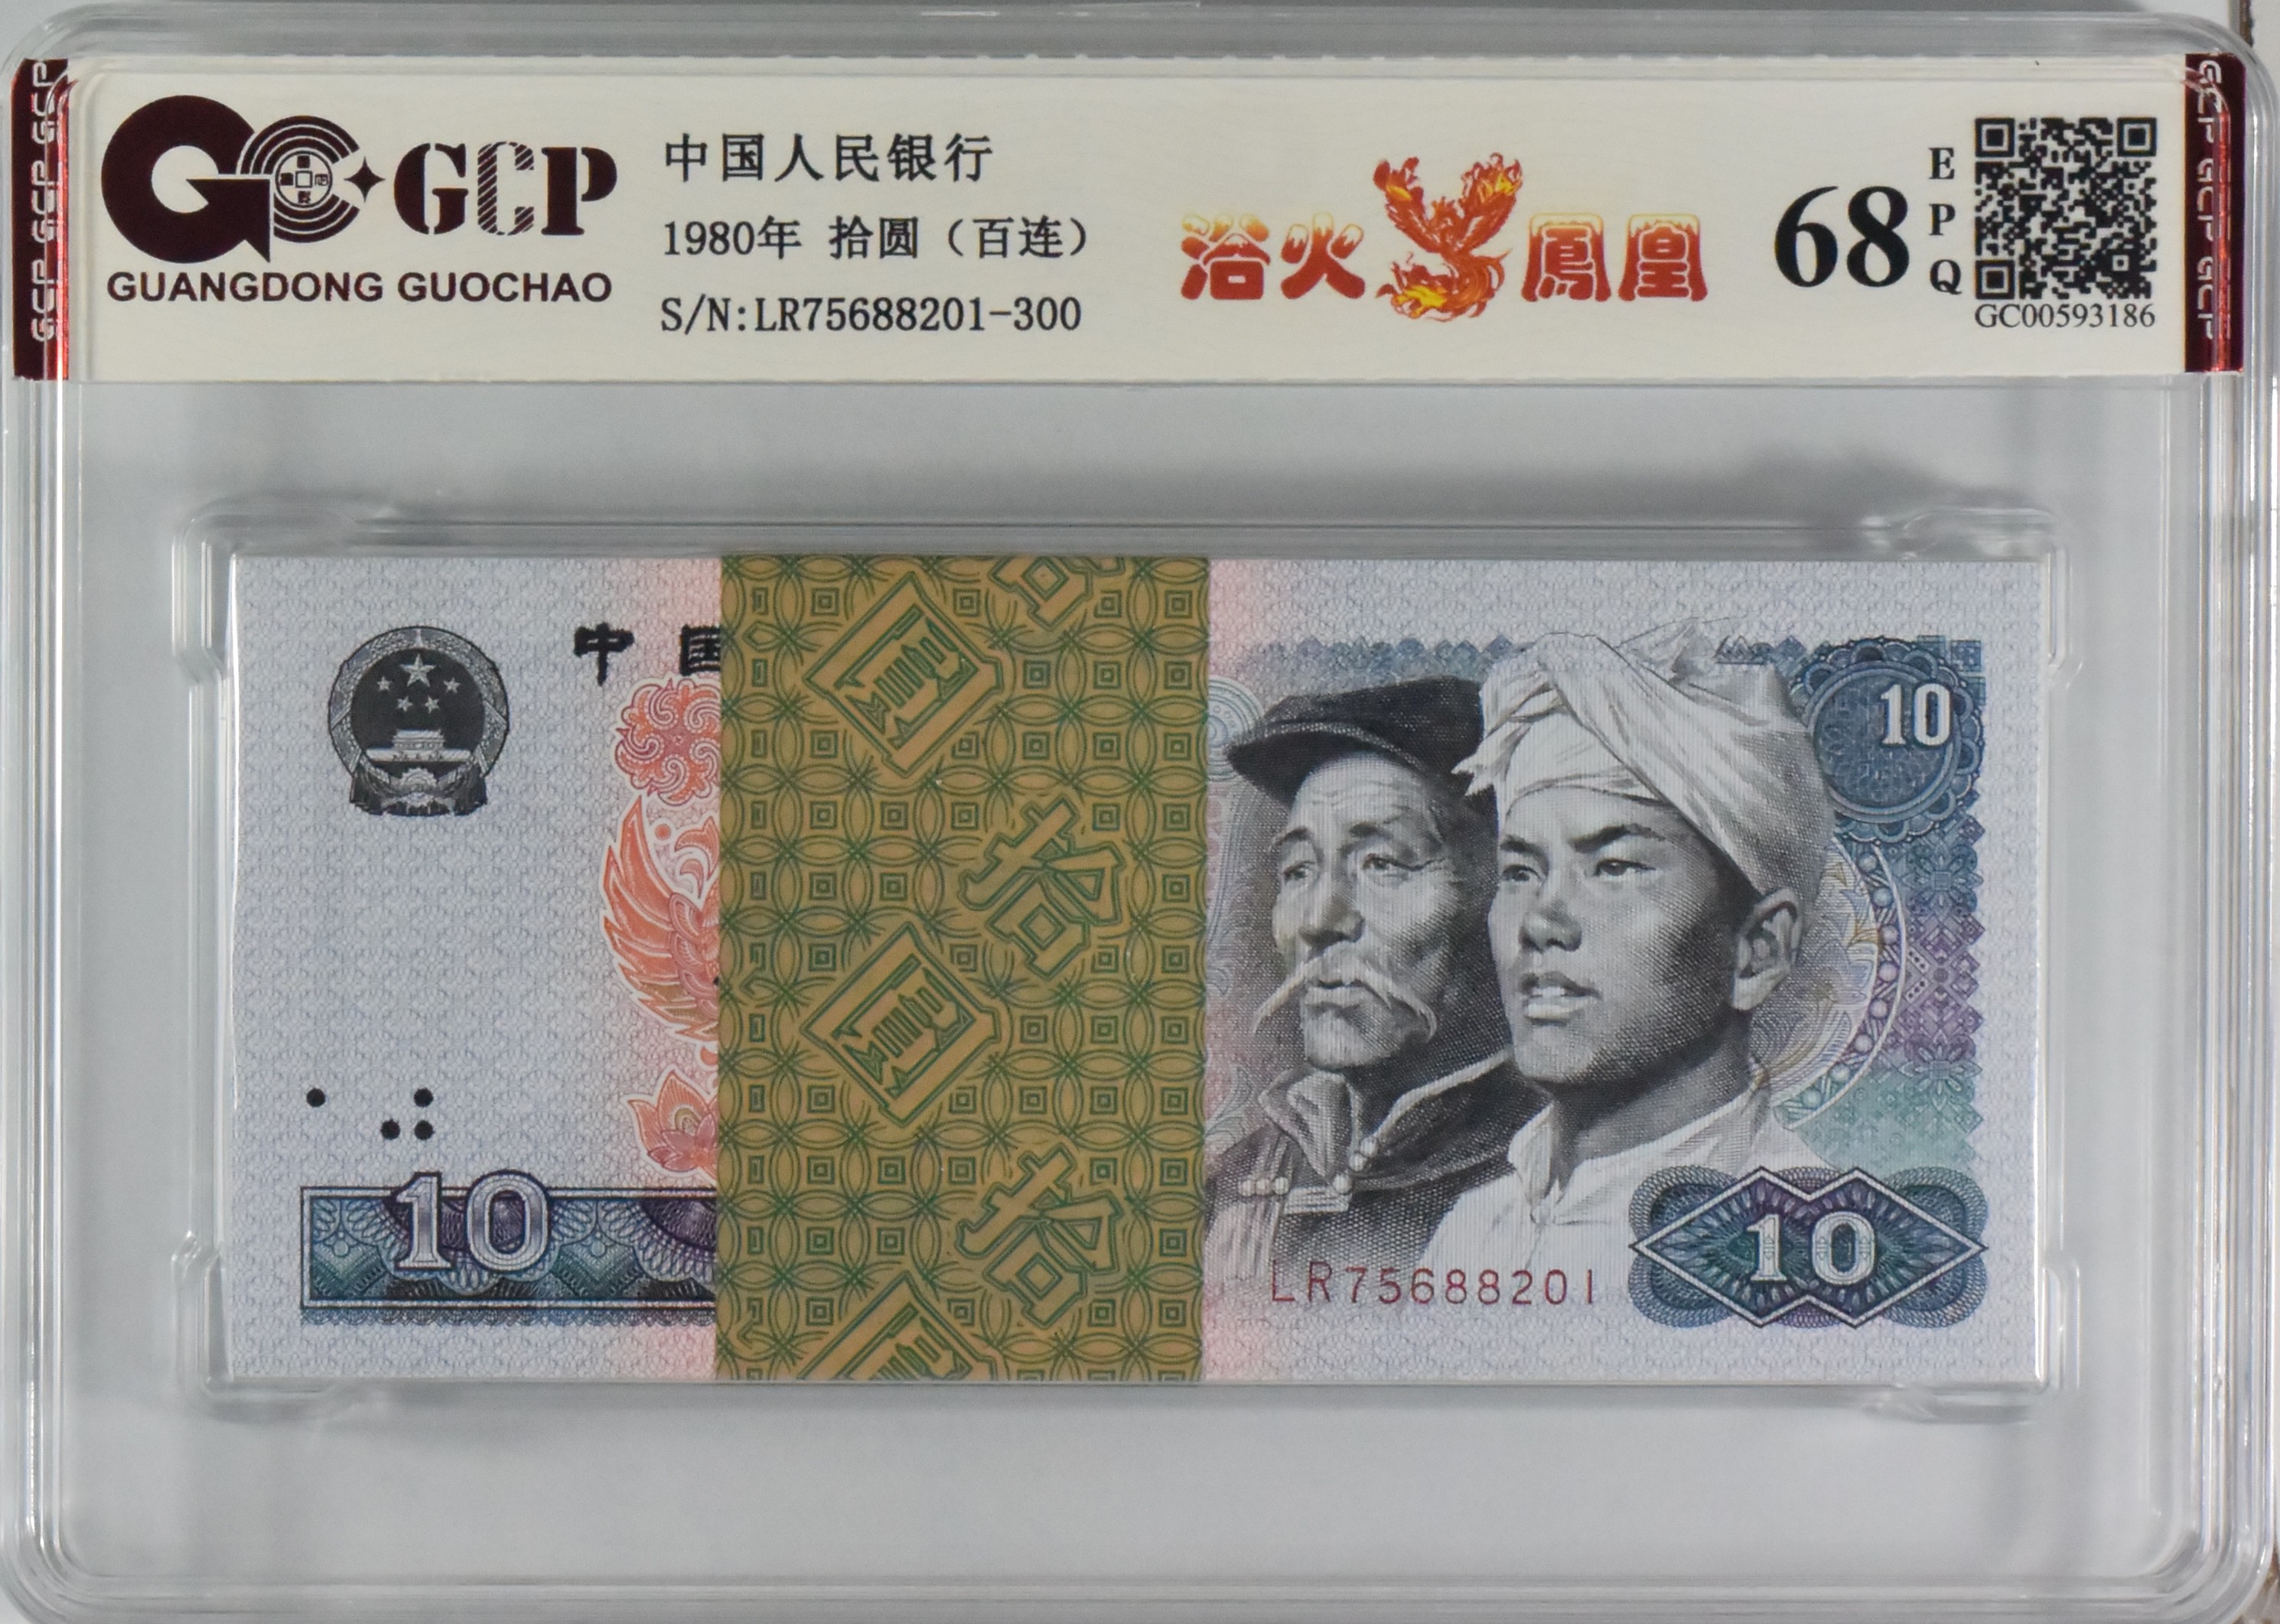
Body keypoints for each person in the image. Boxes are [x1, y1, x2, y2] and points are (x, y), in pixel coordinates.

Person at [1420, 625, 1832, 1288]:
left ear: (1758, 949)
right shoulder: (1470, 1233)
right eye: (1520, 872)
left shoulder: (1803, 1247)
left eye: (1613, 867)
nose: (1541, 922)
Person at [1207, 677, 1540, 1279]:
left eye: (1381, 863)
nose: (1319, 920)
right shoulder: (1238, 1182)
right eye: (1298, 869)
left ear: (1503, 890)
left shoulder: (1561, 1171)